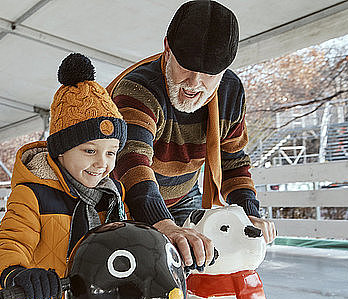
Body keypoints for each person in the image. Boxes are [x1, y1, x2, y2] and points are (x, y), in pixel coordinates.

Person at [0, 53, 128, 299]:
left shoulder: (111, 195)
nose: (102, 164)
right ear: (62, 150)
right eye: (90, 150)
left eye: (111, 152)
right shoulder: (33, 194)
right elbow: (8, 242)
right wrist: (19, 275)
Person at [107, 0, 276, 269]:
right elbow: (130, 161)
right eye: (185, 66)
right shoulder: (138, 88)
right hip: (124, 198)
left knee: (196, 265)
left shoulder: (230, 92)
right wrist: (164, 225)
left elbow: (232, 161)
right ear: (167, 48)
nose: (194, 83)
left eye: (210, 73)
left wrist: (249, 215)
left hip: (184, 195)